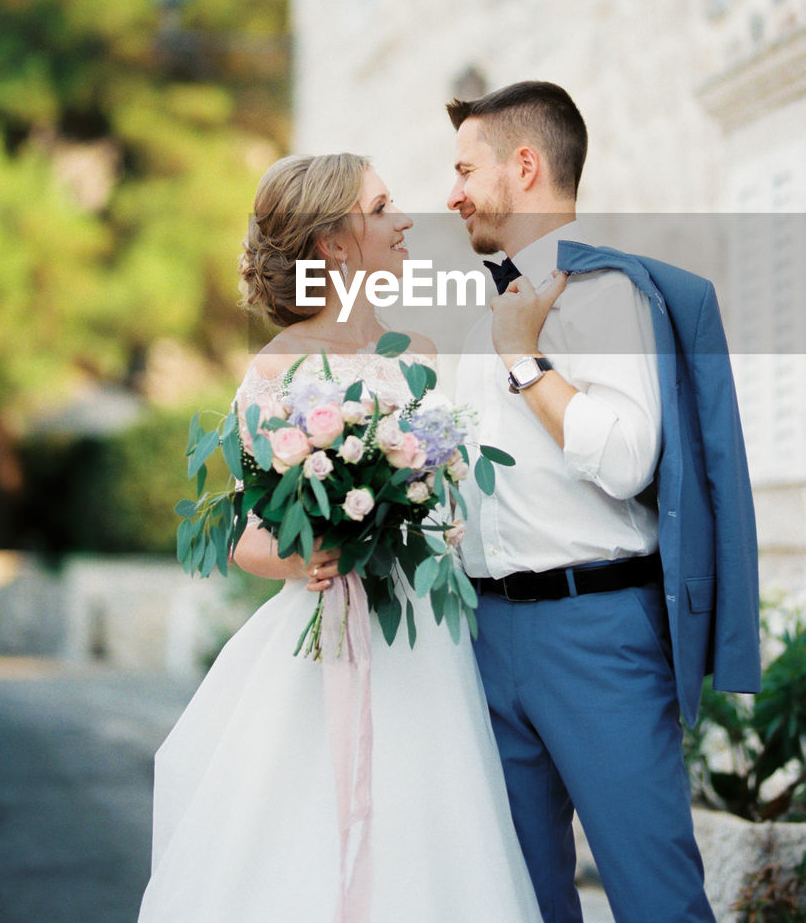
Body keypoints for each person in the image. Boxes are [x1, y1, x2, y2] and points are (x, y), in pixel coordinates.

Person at [137, 152, 544, 923]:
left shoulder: (418, 355)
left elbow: (441, 500)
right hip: (329, 630)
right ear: (334, 241)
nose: (403, 223)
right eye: (383, 207)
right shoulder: (278, 366)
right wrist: (309, 554)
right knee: (306, 838)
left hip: (424, 641)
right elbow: (249, 539)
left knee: (430, 830)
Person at [446, 80, 761, 923]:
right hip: (483, 631)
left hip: (597, 635)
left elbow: (625, 459)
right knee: (518, 898)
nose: (452, 194)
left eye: (465, 169)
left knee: (654, 896)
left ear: (526, 164)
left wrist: (525, 363)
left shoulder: (613, 293)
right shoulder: (479, 311)